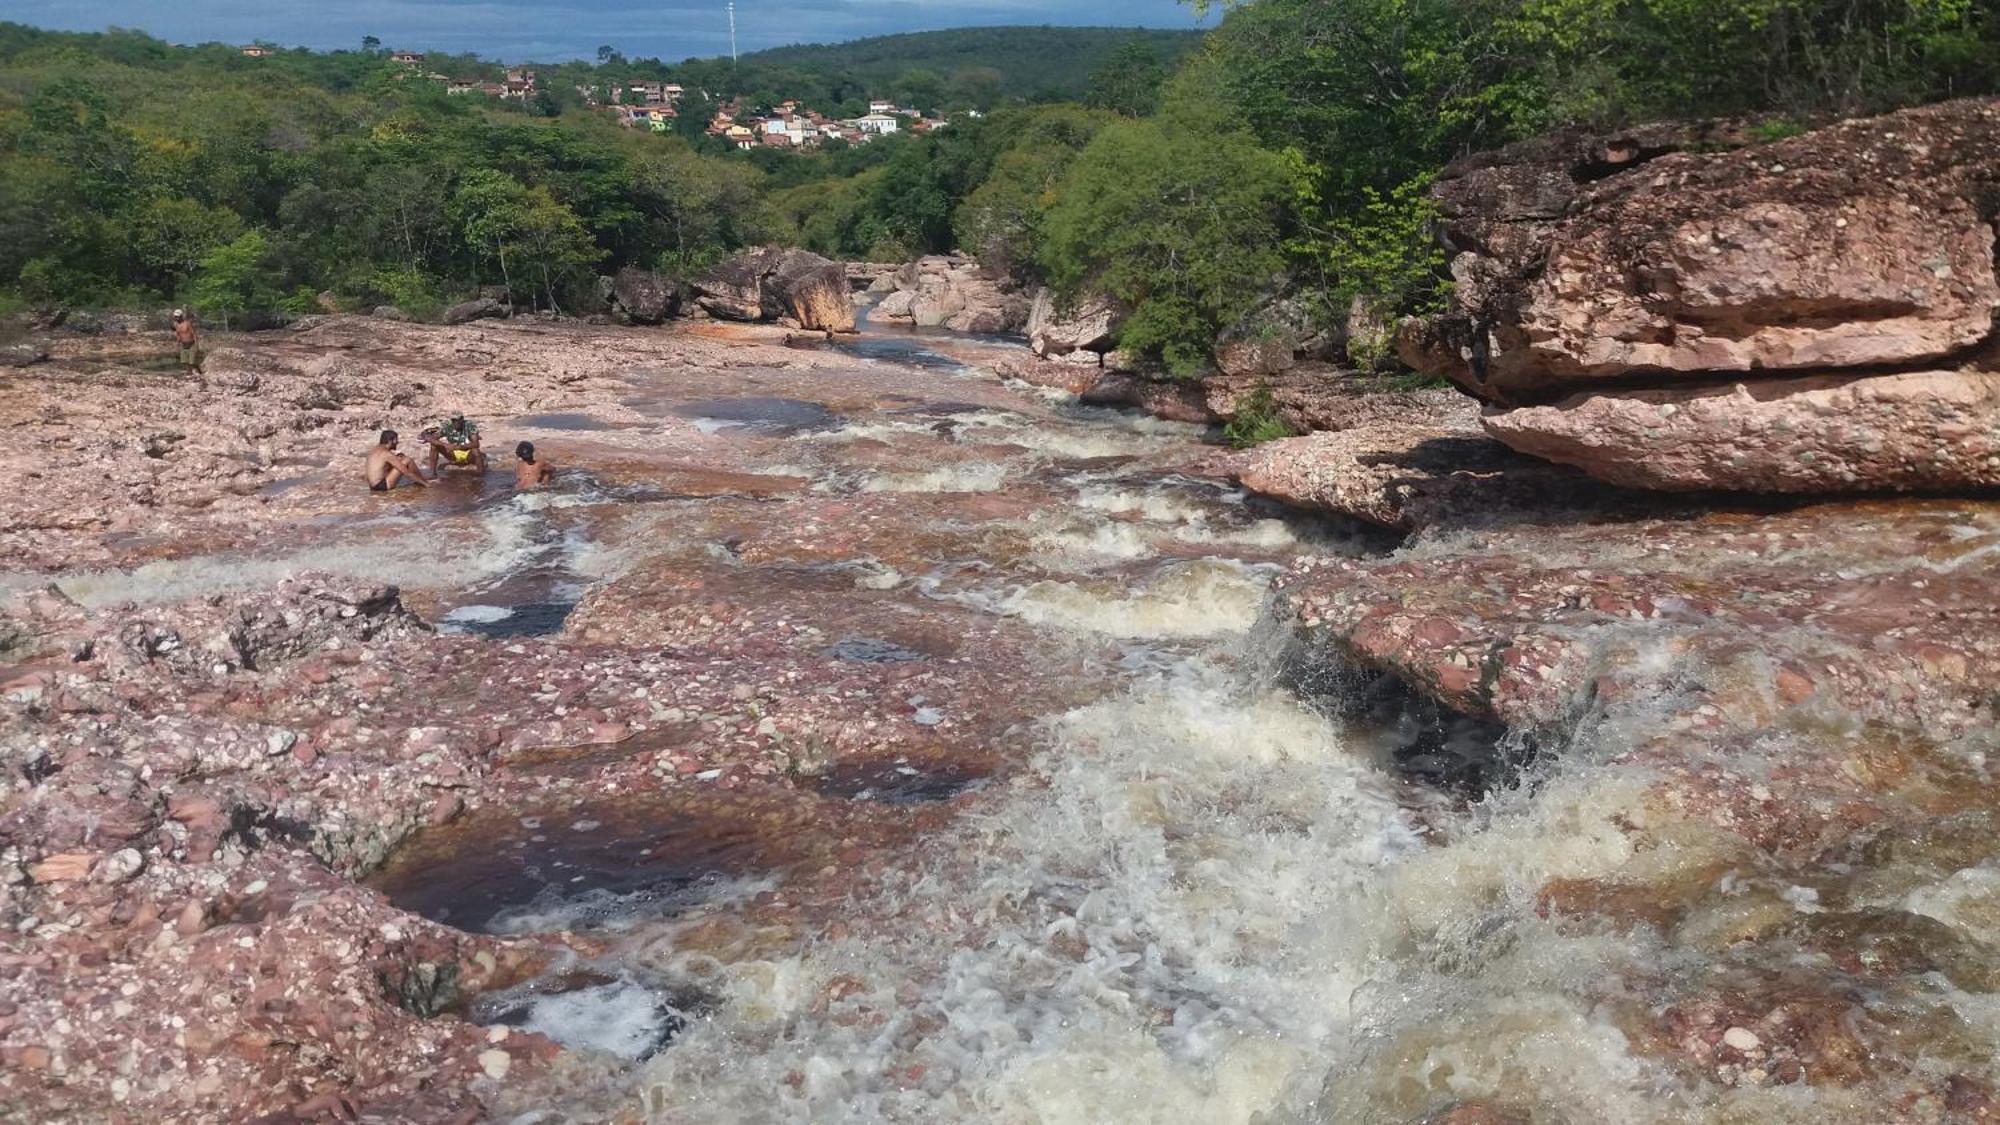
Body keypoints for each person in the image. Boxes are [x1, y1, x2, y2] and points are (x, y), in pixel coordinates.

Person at [364, 430, 430, 492]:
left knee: (399, 459)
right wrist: (427, 485)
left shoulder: (374, 450)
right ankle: (422, 480)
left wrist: (398, 458)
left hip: (372, 487)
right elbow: (407, 473)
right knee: (408, 460)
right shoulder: (387, 454)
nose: (397, 442)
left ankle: (420, 480)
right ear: (390, 441)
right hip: (382, 486)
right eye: (396, 440)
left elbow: (381, 467)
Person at [170, 309, 204, 376]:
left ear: (181, 316)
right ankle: (189, 373)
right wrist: (177, 344)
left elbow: (194, 334)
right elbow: (178, 335)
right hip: (183, 344)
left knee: (192, 361)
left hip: (191, 344)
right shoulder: (176, 325)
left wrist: (197, 345)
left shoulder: (187, 323)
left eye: (177, 316)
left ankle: (199, 370)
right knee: (185, 361)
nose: (176, 318)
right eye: (175, 317)